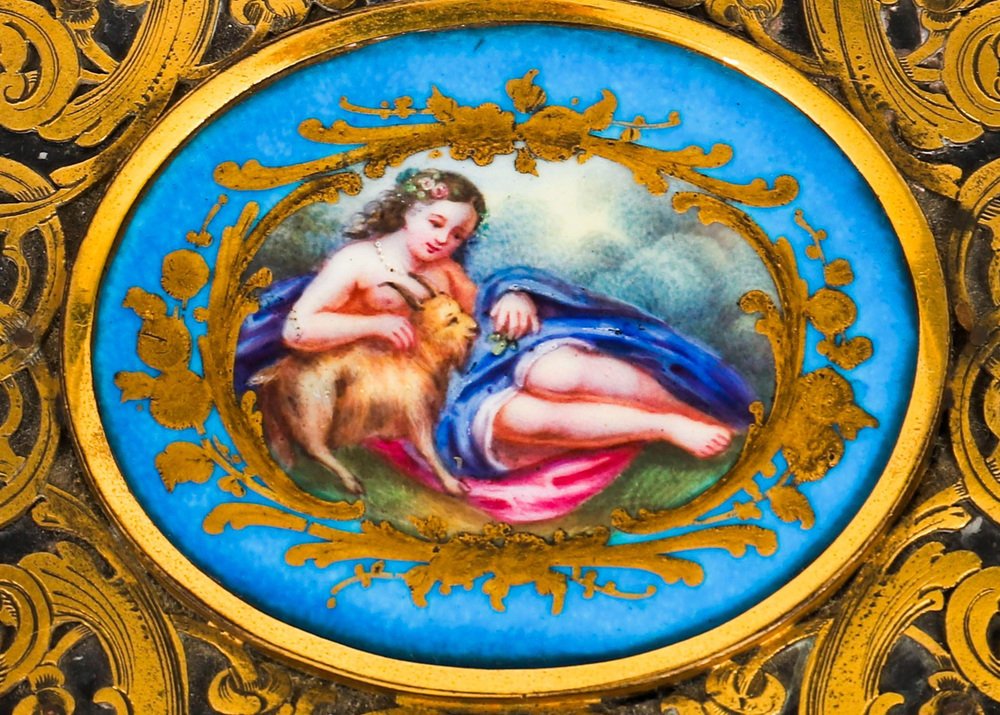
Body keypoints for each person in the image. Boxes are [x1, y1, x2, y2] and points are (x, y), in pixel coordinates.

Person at [236, 168, 754, 497]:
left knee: (559, 370)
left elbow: (478, 309)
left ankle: (697, 414)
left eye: (457, 234)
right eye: (436, 223)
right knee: (518, 414)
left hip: (477, 362)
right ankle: (663, 427)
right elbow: (299, 328)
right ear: (407, 212)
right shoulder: (356, 261)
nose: (443, 239)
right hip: (420, 395)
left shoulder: (444, 269)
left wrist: (513, 295)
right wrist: (373, 322)